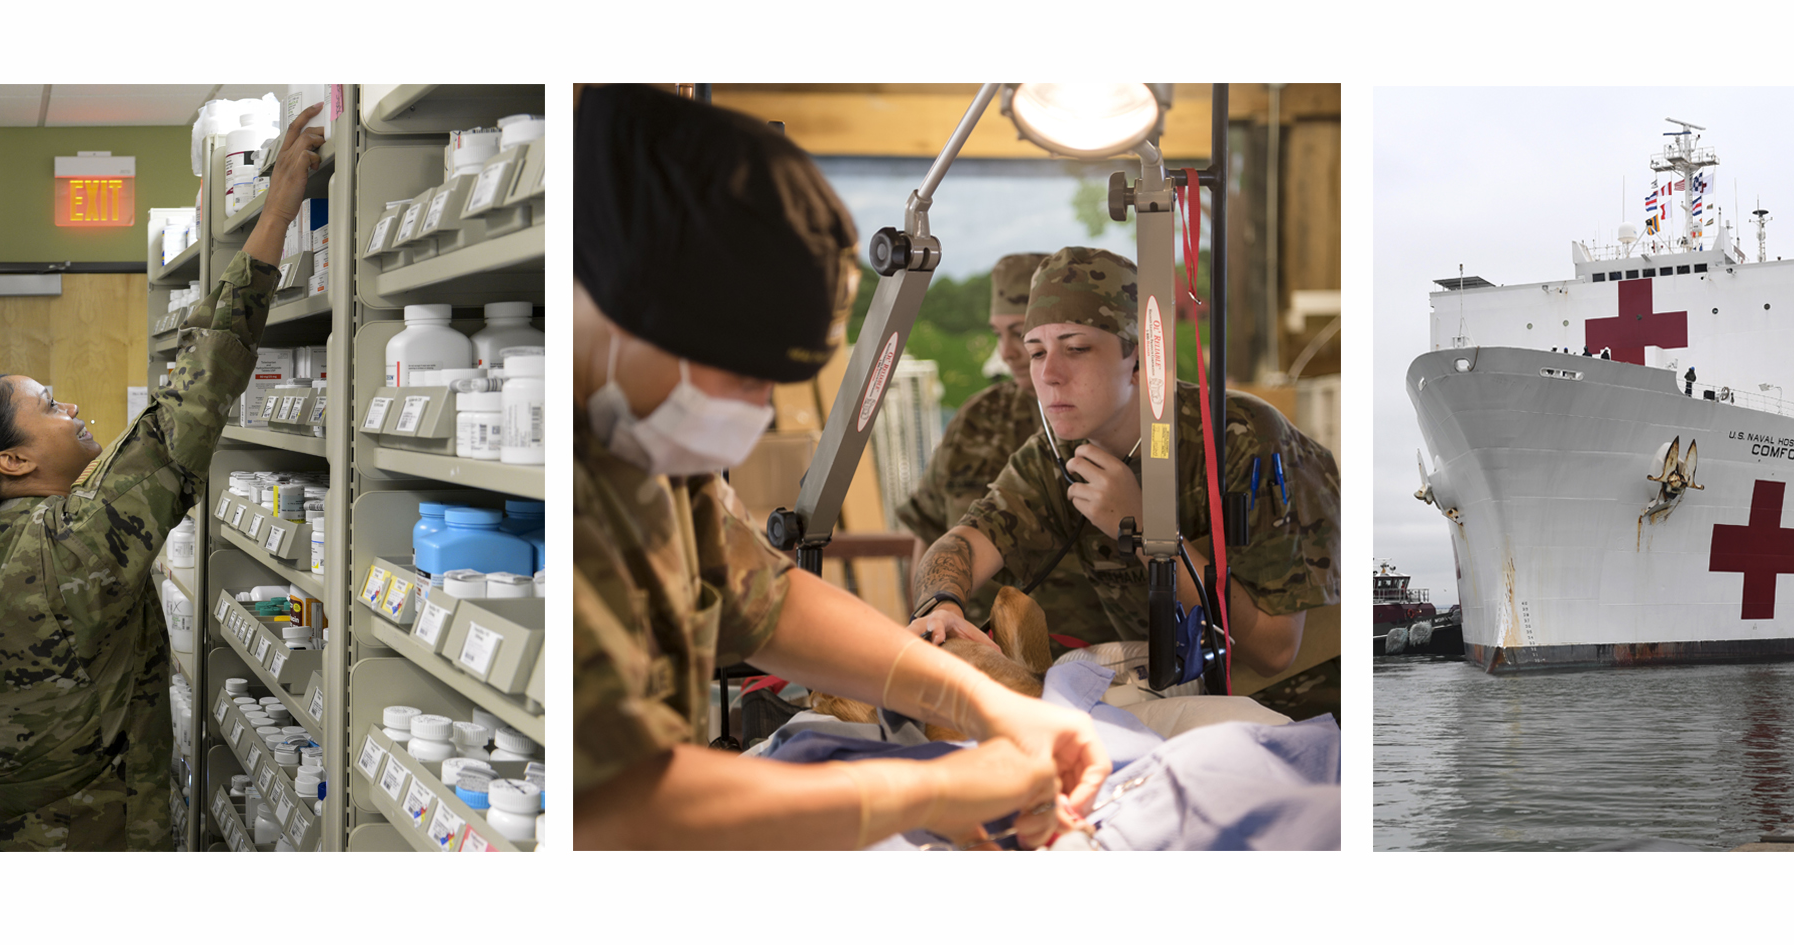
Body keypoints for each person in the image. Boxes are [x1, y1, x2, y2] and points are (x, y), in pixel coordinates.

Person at [571, 83, 1106, 850]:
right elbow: (617, 806)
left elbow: (764, 601)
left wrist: (971, 697)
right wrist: (918, 785)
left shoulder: (645, 441)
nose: (757, 410)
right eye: (742, 374)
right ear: (622, 305)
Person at [0, 105, 326, 851]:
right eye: (47, 404)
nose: (71, 408)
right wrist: (278, 211)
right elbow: (191, 400)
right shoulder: (72, 540)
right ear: (14, 460)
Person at [907, 247, 1340, 680]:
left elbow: (1274, 651)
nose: (1050, 373)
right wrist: (941, 604)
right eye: (1037, 352)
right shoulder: (1058, 455)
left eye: (1075, 348)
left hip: (1300, 710)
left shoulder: (1243, 438)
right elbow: (963, 544)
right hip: (1176, 701)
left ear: (1139, 360)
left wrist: (1147, 528)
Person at [894, 252, 1106, 641]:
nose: (1008, 351)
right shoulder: (978, 417)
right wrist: (933, 615)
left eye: (1021, 333)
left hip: (1084, 658)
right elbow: (931, 532)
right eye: (999, 333)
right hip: (973, 646)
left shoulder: (1102, 426)